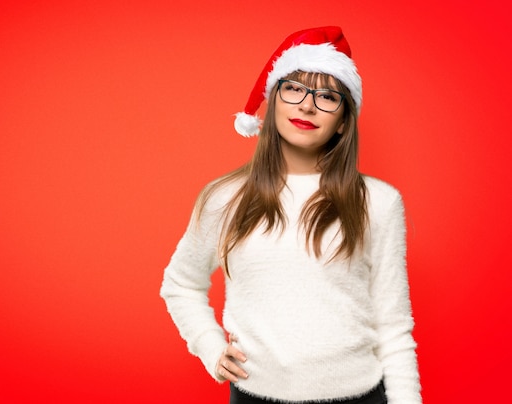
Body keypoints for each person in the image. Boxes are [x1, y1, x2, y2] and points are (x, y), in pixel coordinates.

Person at [160, 26, 421, 404]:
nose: (308, 105)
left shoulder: (379, 203)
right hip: (255, 396)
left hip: (361, 396)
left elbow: (394, 326)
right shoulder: (225, 199)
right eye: (294, 89)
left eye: (328, 96)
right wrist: (209, 345)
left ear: (344, 122)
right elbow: (180, 284)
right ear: (273, 100)